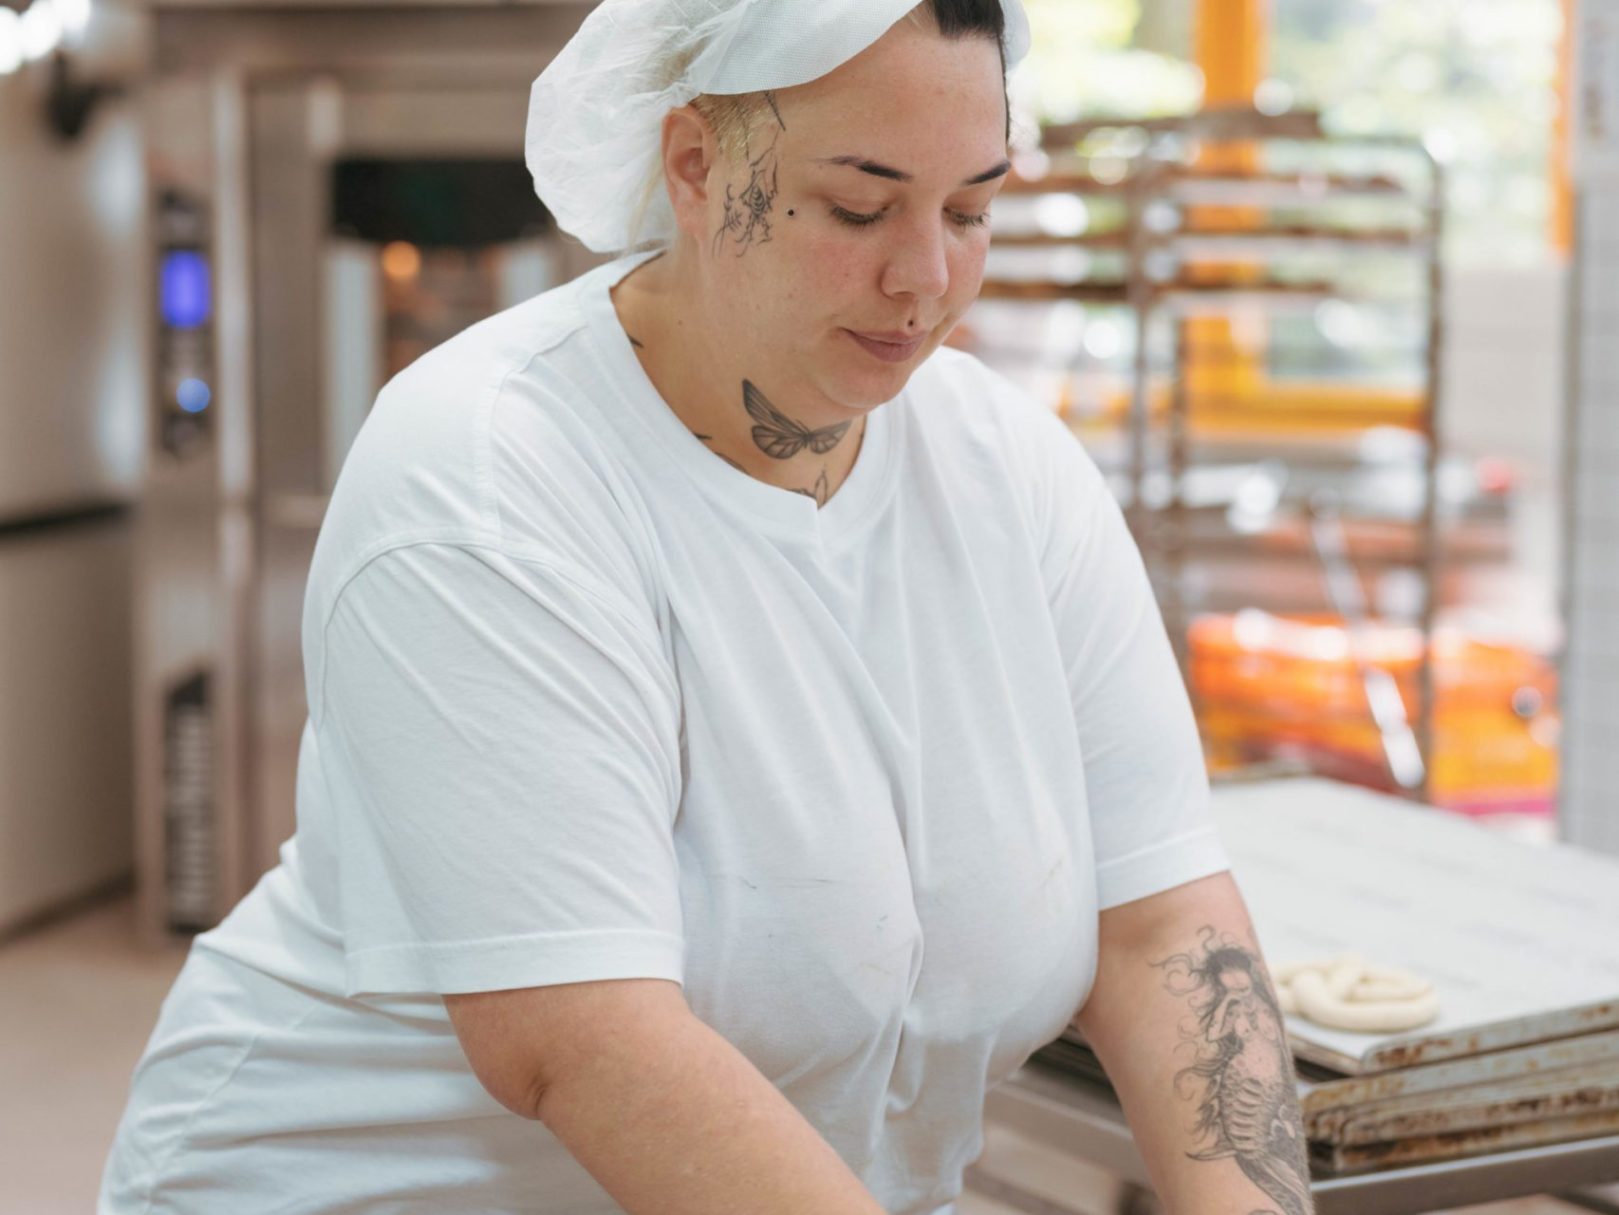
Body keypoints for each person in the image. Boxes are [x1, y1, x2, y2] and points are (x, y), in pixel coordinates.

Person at [100, 2, 1314, 1213]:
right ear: (693, 164)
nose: (926, 279)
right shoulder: (487, 479)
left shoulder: (1007, 470)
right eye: (857, 205)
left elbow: (1159, 926)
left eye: (970, 210)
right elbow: (588, 1043)